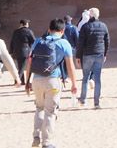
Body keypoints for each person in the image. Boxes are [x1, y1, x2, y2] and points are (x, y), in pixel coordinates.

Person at [26, 18, 78, 148]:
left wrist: (27, 82)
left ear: (49, 30)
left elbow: (29, 63)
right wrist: (74, 83)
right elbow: (70, 66)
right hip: (53, 81)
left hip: (36, 80)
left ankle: (36, 136)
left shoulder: (38, 41)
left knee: (39, 108)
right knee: (50, 112)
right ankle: (47, 142)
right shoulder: (64, 43)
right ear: (62, 30)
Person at [76, 7, 110, 108]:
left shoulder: (85, 27)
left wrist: (78, 56)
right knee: (97, 79)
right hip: (99, 54)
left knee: (85, 78)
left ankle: (83, 100)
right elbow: (107, 41)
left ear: (90, 15)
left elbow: (80, 43)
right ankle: (96, 102)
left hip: (87, 54)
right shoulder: (103, 26)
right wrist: (105, 54)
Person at [9, 19, 35, 85]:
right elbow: (33, 40)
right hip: (25, 51)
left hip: (16, 51)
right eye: (27, 23)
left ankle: (22, 81)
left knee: (20, 65)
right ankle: (17, 80)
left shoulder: (15, 31)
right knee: (22, 67)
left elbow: (12, 42)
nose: (28, 24)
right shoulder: (28, 31)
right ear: (24, 24)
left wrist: (11, 51)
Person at [61, 16, 79, 85]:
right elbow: (77, 38)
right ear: (70, 20)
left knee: (63, 63)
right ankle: (67, 77)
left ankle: (64, 76)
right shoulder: (74, 28)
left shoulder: (62, 28)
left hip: (62, 47)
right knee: (69, 62)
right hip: (71, 47)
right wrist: (77, 47)